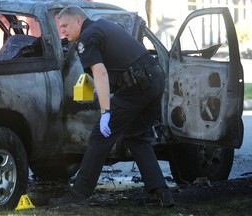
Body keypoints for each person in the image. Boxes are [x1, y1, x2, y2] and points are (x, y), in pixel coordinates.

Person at [49, 5, 175, 208]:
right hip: (154, 80)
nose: (62, 31)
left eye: (65, 25)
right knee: (136, 137)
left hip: (135, 88)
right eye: (60, 27)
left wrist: (106, 111)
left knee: (100, 136)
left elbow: (100, 72)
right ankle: (161, 193)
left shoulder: (86, 39)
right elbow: (115, 63)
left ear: (79, 21)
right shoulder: (103, 25)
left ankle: (79, 193)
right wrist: (103, 90)